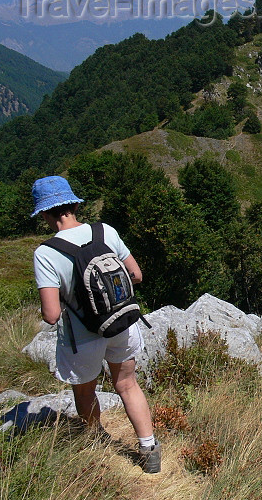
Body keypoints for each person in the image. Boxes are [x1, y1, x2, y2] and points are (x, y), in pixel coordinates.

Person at [31, 175, 161, 474]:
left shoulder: (46, 253)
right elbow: (137, 276)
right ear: (74, 204)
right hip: (121, 324)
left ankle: (97, 439)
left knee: (85, 392)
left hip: (83, 336)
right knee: (127, 384)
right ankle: (149, 448)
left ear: (44, 213)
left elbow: (51, 315)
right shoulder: (105, 232)